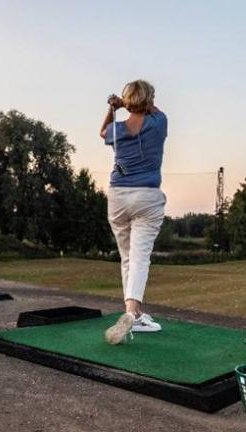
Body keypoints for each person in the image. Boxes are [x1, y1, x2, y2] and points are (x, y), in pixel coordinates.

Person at [101, 80, 168, 345]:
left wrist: (115, 107)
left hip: (117, 197)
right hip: (147, 196)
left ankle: (136, 315)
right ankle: (131, 312)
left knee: (128, 257)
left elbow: (102, 130)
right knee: (139, 258)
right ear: (149, 101)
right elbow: (155, 110)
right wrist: (133, 103)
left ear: (128, 102)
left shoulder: (116, 130)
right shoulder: (158, 122)